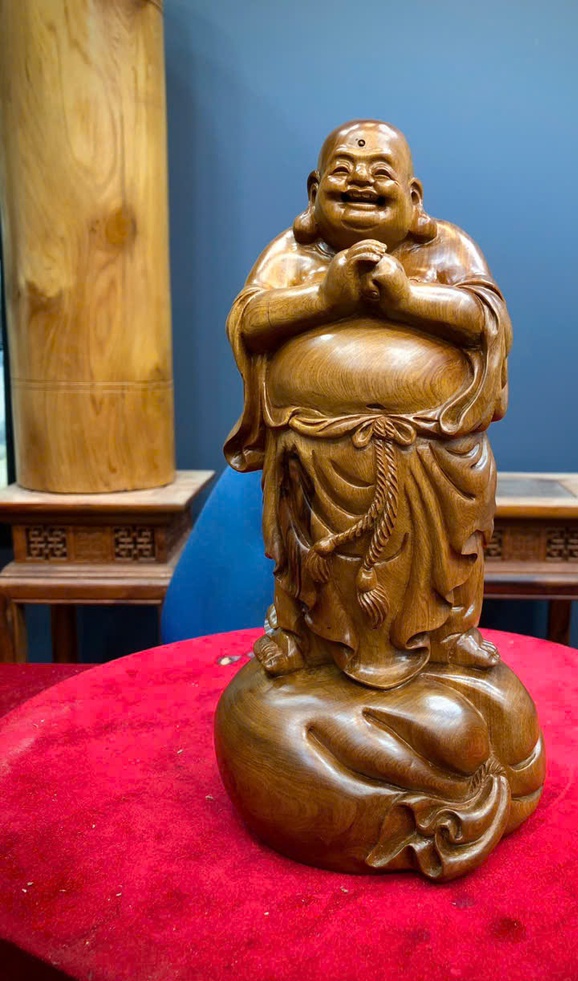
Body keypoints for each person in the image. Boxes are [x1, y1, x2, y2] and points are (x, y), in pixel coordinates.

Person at [225, 120, 512, 689]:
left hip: (433, 445)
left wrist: (407, 296)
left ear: (414, 197)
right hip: (315, 444)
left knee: (451, 547)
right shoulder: (291, 253)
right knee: (306, 550)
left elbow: (487, 320)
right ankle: (300, 637)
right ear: (314, 191)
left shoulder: (448, 247)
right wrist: (325, 296)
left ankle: (450, 635)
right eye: (343, 171)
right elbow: (249, 320)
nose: (360, 180)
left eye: (381, 172)